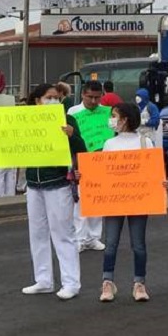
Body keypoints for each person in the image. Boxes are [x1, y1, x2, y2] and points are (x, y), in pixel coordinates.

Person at [0, 83, 86, 300]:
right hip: (33, 185)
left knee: (63, 233)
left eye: (56, 97)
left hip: (58, 182)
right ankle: (43, 279)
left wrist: (72, 135)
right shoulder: (25, 119)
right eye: (49, 97)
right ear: (37, 100)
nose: (54, 100)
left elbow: (82, 149)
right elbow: (11, 143)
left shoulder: (67, 120)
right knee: (37, 233)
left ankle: (71, 282)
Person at [98, 103, 158, 303]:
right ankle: (108, 282)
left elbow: (152, 171)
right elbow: (102, 173)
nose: (111, 120)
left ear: (125, 119)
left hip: (138, 199)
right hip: (114, 200)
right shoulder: (109, 144)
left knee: (138, 244)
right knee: (110, 244)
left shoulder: (145, 142)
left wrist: (160, 181)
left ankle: (139, 283)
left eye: (114, 115)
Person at [67, 80, 107, 252]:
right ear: (83, 94)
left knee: (98, 199)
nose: (93, 101)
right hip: (80, 159)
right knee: (81, 200)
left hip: (100, 159)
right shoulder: (73, 112)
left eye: (97, 98)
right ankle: (80, 238)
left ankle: (94, 237)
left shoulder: (107, 112)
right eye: (90, 97)